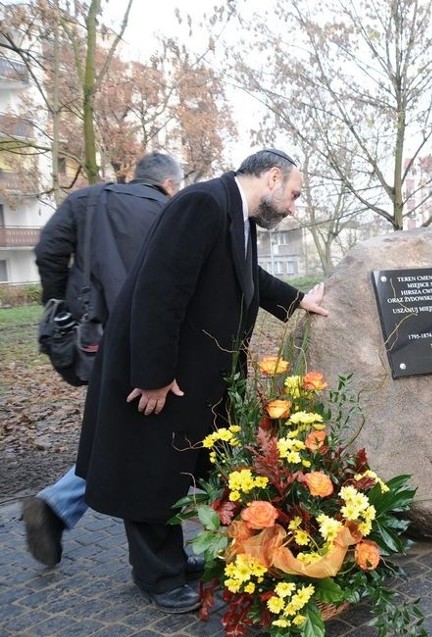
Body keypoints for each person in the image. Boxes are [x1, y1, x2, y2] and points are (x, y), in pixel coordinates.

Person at [75, 149, 329, 614]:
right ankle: (158, 577)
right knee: (150, 471)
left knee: (172, 469)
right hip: (160, 374)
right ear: (273, 177)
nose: (295, 205)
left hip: (192, 375)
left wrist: (295, 301)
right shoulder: (203, 204)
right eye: (294, 193)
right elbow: (159, 289)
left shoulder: (235, 213)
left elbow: (245, 274)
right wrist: (153, 376)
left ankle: (171, 560)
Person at [23, 151, 184, 568]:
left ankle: (58, 507)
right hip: (153, 345)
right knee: (133, 442)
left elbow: (49, 252)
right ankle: (62, 509)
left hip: (95, 341)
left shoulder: (87, 201)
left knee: (116, 432)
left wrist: (60, 303)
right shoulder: (172, 212)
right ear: (169, 184)